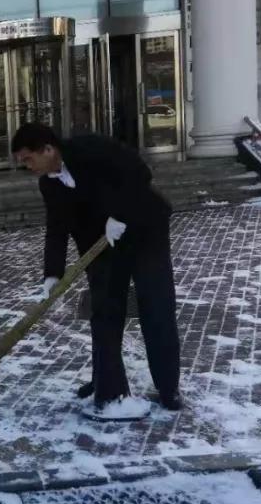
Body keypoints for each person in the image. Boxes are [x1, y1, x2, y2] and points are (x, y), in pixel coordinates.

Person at [10, 123, 184, 412]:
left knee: (156, 306)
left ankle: (168, 388)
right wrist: (52, 275)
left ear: (48, 149)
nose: (26, 166)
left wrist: (119, 215)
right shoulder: (48, 183)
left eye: (28, 158)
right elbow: (56, 228)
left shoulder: (91, 148)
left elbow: (139, 173)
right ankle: (108, 385)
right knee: (103, 311)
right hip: (101, 245)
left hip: (144, 231)